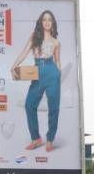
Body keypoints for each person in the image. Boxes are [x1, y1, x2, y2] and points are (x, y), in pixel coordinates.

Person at [11, 10, 62, 152]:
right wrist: (14, 66)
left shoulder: (56, 42)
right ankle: (36, 139)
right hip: (37, 70)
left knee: (54, 107)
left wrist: (58, 74)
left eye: (49, 20)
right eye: (44, 19)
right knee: (29, 105)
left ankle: (50, 139)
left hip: (52, 72)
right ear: (41, 22)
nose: (47, 22)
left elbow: (58, 60)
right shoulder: (35, 36)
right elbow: (24, 52)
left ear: (52, 24)